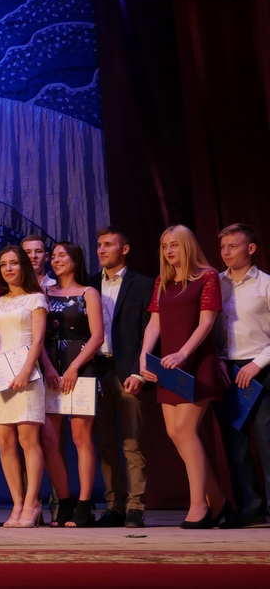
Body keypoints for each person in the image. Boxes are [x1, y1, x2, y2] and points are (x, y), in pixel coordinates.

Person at [138, 225, 231, 528]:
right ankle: (217, 502)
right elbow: (154, 324)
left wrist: (183, 354)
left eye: (175, 245)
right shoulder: (162, 281)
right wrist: (144, 356)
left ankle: (199, 506)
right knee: (174, 433)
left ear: (188, 246)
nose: (169, 251)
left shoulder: (207, 277)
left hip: (195, 363)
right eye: (165, 246)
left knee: (185, 430)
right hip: (168, 366)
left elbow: (206, 323)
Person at [89, 226, 154, 528]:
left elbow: (148, 331)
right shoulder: (89, 284)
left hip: (128, 371)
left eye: (108, 244)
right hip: (97, 370)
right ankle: (113, 505)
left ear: (124, 249)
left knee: (132, 441)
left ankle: (135, 505)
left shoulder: (143, 284)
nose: (102, 250)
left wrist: (140, 372)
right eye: (99, 245)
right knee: (104, 443)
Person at [0, 245, 50, 528]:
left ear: (23, 265)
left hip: (27, 375)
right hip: (2, 378)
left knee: (28, 440)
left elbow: (37, 340)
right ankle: (17, 503)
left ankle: (32, 504)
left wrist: (24, 372)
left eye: (13, 263)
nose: (8, 269)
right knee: (4, 441)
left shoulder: (36, 299)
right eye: (3, 265)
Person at [42, 241, 105, 527]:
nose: (56, 260)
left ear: (76, 260)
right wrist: (48, 366)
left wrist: (74, 367)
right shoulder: (44, 294)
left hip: (81, 366)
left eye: (62, 255)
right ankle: (64, 502)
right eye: (53, 256)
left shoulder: (88, 292)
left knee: (81, 437)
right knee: (49, 440)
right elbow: (37, 336)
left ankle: (84, 505)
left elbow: (97, 336)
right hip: (50, 368)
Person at [216, 223, 270, 528]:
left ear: (250, 248)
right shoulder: (215, 283)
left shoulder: (266, 284)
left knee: (267, 440)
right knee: (235, 445)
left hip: (261, 366)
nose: (226, 252)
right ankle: (250, 509)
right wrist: (218, 360)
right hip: (226, 368)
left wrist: (257, 364)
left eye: (233, 246)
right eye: (223, 247)